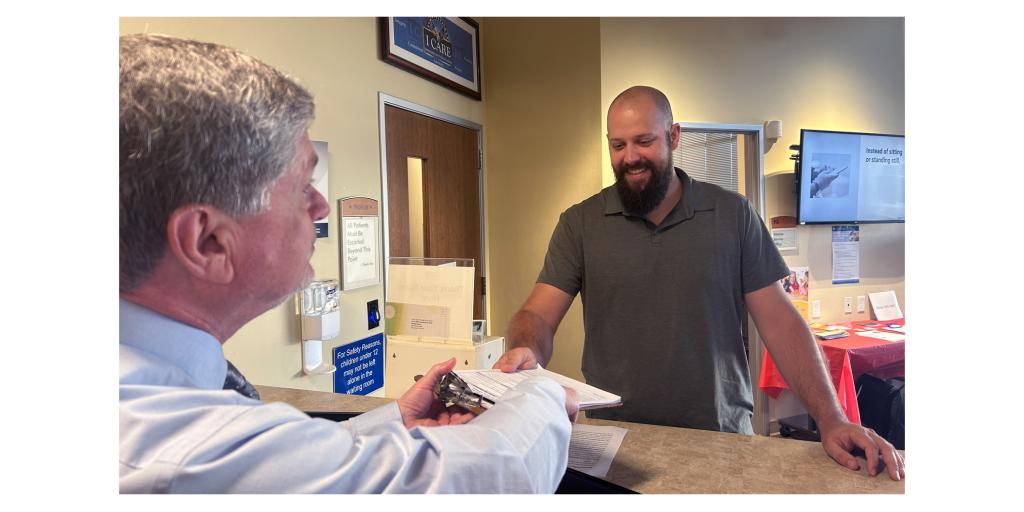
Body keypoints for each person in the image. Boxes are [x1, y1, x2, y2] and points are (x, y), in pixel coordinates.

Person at [119, 33, 577, 493]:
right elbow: (492, 477)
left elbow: (290, 470)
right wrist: (542, 395)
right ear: (207, 241)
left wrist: (394, 423)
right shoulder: (181, 449)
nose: (321, 207)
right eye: (302, 186)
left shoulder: (157, 391)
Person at [494, 85, 904, 481]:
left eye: (644, 141)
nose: (630, 157)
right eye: (618, 146)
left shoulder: (732, 215)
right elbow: (537, 314)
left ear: (674, 136)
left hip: (720, 437)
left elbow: (781, 325)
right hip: (619, 442)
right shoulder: (579, 224)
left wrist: (832, 418)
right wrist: (525, 348)